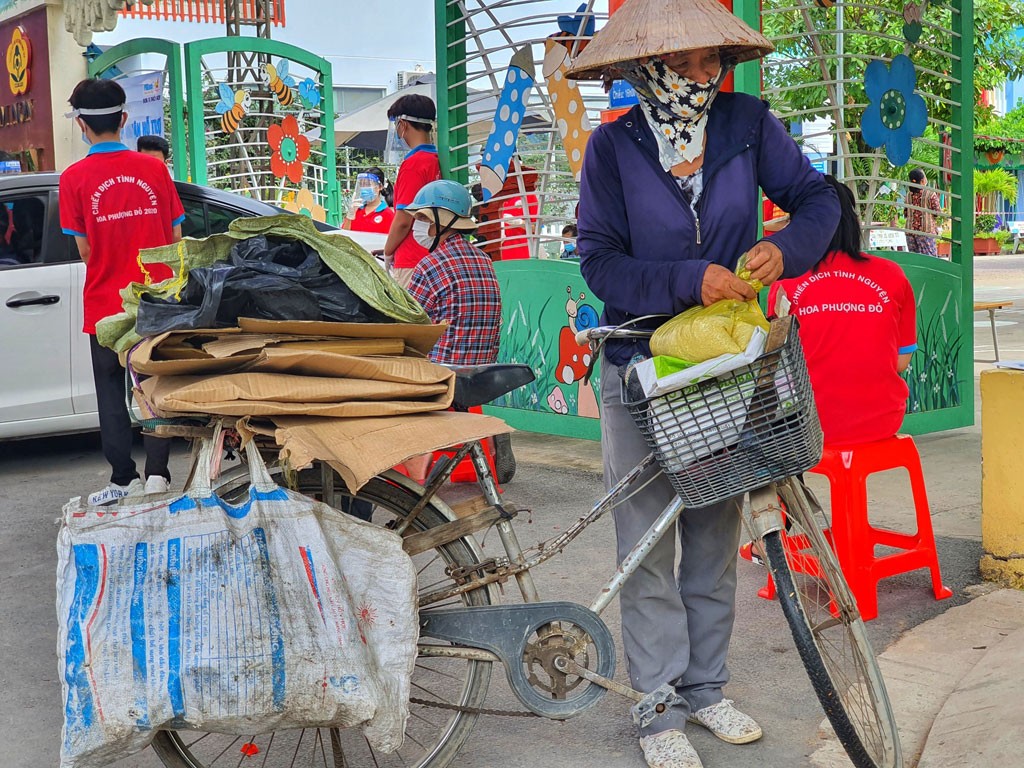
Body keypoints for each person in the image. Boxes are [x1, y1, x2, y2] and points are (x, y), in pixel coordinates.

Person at [566, 1, 840, 766]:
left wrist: (786, 249)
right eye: (686, 65)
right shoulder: (612, 149)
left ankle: (706, 689)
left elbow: (820, 200)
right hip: (637, 366)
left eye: (712, 61)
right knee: (646, 541)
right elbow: (599, 263)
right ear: (646, 70)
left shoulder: (748, 122)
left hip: (726, 365)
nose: (704, 76)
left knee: (714, 533)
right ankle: (656, 709)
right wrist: (691, 278)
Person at [59, 79, 185, 506]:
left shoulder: (74, 178)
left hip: (105, 303)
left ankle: (122, 478)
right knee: (153, 384)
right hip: (156, 300)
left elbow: (84, 249)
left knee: (111, 390)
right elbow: (176, 235)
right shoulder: (155, 170)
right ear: (124, 119)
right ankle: (158, 475)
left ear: (81, 124)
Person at [769, 176, 916, 446]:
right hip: (882, 421)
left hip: (807, 426)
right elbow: (900, 362)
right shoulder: (892, 275)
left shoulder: (784, 285)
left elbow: (779, 367)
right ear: (852, 221)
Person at [382, 94, 441, 288]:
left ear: (403, 124)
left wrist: (388, 252)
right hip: (436, 257)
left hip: (412, 262)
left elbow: (403, 221)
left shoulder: (414, 164)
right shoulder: (437, 159)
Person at [342, 167, 395, 234]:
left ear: (380, 187)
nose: (364, 188)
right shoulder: (356, 210)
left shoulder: (387, 214)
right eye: (362, 184)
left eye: (368, 184)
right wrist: (350, 216)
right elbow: (343, 235)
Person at [905, 168, 942, 256]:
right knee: (930, 260)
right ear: (922, 181)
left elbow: (906, 213)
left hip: (910, 232)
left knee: (914, 261)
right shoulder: (930, 194)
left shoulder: (908, 195)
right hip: (926, 233)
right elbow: (937, 212)